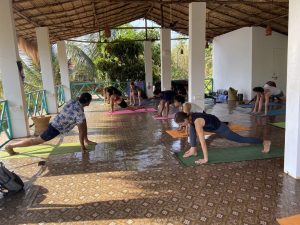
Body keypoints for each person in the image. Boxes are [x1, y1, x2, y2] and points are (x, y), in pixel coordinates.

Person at [5, 93, 97, 155]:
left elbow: (82, 124)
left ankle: (86, 140)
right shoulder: (79, 113)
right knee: (35, 141)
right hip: (54, 129)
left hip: (55, 122)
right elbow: (80, 131)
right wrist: (82, 147)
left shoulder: (73, 101)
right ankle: (10, 146)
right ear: (88, 102)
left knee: (83, 122)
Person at [174, 111, 271, 164]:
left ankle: (264, 142)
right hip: (212, 125)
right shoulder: (190, 117)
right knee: (192, 128)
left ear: (185, 118)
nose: (182, 125)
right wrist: (193, 147)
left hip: (221, 128)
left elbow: (203, 141)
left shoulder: (196, 121)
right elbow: (191, 129)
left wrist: (205, 159)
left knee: (240, 139)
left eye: (182, 123)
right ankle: (193, 149)